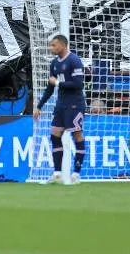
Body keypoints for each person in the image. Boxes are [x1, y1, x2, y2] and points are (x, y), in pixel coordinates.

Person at [33, 34, 86, 185]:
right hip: (60, 105)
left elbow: (78, 84)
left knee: (77, 136)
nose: (51, 48)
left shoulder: (74, 60)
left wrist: (57, 83)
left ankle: (76, 174)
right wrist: (39, 106)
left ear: (63, 45)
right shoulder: (54, 63)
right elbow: (50, 88)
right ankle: (57, 174)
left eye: (54, 45)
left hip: (75, 104)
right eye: (51, 45)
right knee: (55, 135)